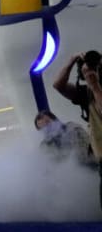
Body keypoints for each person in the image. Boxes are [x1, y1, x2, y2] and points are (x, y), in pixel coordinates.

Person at [52, 51, 102, 210]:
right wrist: (71, 61)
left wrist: (95, 86)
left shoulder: (93, 89)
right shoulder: (86, 93)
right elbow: (58, 85)